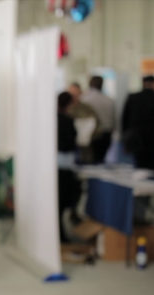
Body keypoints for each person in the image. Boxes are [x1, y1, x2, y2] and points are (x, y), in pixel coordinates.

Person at [121, 75, 154, 173]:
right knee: (153, 163)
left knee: (140, 163)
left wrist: (124, 136)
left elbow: (124, 118)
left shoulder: (132, 97)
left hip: (136, 136)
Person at [57, 91, 81, 242]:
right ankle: (61, 237)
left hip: (59, 165)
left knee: (60, 204)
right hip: (64, 166)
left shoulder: (54, 120)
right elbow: (68, 144)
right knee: (62, 203)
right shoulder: (66, 121)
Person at [80, 75, 115, 163]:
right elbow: (113, 119)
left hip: (92, 134)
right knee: (100, 160)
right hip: (106, 133)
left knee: (89, 161)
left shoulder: (84, 99)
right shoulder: (109, 100)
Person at [67, 82, 99, 164]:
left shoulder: (86, 108)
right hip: (68, 148)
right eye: (71, 93)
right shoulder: (63, 110)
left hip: (84, 148)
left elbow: (96, 124)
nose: (73, 96)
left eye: (75, 93)